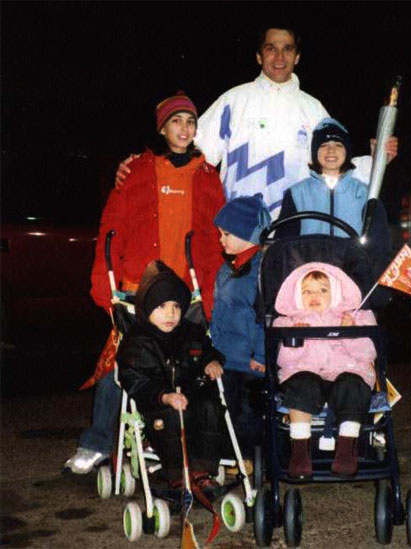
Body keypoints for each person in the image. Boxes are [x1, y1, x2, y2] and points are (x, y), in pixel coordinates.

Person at [63, 92, 225, 474]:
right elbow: (111, 229)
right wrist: (105, 284)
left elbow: (219, 233)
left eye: (190, 121)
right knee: (123, 368)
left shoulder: (207, 176)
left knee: (189, 370)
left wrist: (218, 286)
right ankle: (99, 443)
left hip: (190, 293)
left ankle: (175, 449)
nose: (184, 129)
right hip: (138, 290)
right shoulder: (136, 170)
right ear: (162, 128)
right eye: (176, 121)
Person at [115, 25, 398, 219]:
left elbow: (335, 170)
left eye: (287, 49)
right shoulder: (234, 101)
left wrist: (375, 160)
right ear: (259, 55)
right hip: (238, 232)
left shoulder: (314, 110)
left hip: (294, 229)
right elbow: (188, 154)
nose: (279, 57)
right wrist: (142, 170)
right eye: (271, 49)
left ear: (297, 56)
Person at [116, 261, 226, 486]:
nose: (171, 313)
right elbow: (135, 379)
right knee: (172, 416)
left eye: (176, 306)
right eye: (162, 307)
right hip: (159, 404)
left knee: (211, 407)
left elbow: (207, 351)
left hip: (193, 396)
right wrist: (164, 396)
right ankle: (177, 474)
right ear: (147, 309)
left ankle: (201, 470)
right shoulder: (138, 342)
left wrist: (211, 361)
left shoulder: (190, 332)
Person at [273, 262, 377, 478]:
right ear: (296, 295)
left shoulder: (357, 317)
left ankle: (347, 450)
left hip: (346, 371)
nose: (314, 295)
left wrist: (351, 332)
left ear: (336, 292)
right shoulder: (288, 322)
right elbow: (283, 361)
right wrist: (295, 340)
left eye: (322, 290)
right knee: (301, 383)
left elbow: (368, 354)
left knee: (352, 384)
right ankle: (300, 452)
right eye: (307, 291)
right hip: (307, 373)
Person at [276, 117, 392, 295]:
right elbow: (284, 245)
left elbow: (379, 247)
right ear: (315, 152)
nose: (331, 150)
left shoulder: (365, 193)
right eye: (323, 145)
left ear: (347, 151)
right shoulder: (297, 193)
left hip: (352, 285)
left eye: (338, 145)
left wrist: (375, 292)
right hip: (310, 286)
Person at [210, 194, 271, 469]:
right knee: (227, 408)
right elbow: (220, 311)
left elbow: (265, 316)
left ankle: (249, 458)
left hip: (250, 360)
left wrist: (261, 353)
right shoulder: (227, 268)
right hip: (227, 357)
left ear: (248, 234)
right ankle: (229, 453)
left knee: (250, 412)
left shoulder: (262, 270)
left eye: (226, 234)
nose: (221, 240)